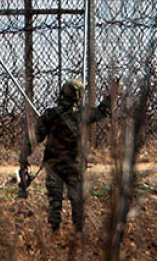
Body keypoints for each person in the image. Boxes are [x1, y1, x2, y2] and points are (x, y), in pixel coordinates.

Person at [20, 80, 111, 232]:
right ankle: (78, 233)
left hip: (53, 165)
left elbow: (35, 137)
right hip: (75, 166)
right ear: (79, 96)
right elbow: (102, 111)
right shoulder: (83, 114)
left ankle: (54, 231)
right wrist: (111, 97)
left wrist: (24, 156)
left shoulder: (51, 114)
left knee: (55, 201)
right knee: (77, 201)